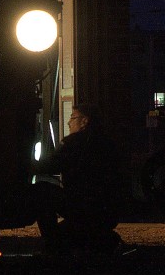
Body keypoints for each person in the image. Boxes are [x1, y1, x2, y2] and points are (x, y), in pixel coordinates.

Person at [33, 103, 126, 253]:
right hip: (108, 211)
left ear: (84, 121)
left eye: (72, 117)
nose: (69, 122)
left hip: (82, 206)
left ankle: (52, 242)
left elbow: (49, 166)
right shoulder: (108, 143)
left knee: (41, 190)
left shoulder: (74, 143)